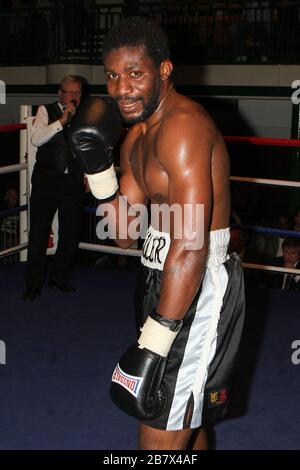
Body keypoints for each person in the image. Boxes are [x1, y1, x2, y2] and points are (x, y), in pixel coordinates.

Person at [68, 17, 245, 450]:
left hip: (195, 287)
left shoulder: (183, 130)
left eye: (135, 74)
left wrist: (156, 339)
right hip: (157, 279)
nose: (121, 89)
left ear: (164, 71)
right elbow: (125, 235)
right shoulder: (135, 138)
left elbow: (190, 244)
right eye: (112, 75)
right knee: (187, 417)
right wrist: (99, 171)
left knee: (159, 435)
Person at [23, 75, 85, 302]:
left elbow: (89, 147)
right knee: (39, 234)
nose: (73, 97)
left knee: (70, 234)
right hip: (46, 182)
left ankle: (60, 278)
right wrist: (62, 120)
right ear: (60, 93)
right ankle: (33, 285)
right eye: (69, 92)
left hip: (73, 182)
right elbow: (36, 139)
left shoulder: (85, 115)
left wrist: (88, 175)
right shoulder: (45, 110)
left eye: (77, 92)